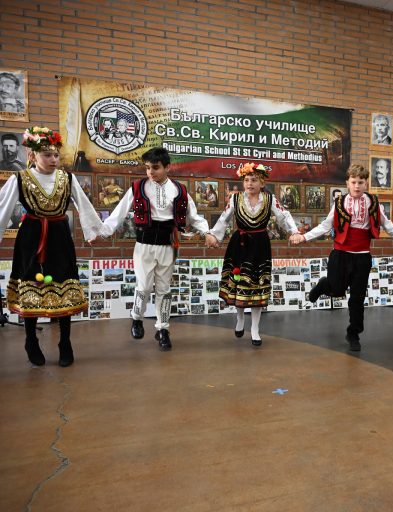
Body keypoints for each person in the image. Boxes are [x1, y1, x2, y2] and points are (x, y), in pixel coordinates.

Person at [95, 147, 218, 351]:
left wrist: (207, 232)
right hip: (144, 245)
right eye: (147, 168)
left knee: (164, 289)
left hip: (167, 245)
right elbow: (118, 214)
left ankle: (163, 329)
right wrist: (102, 233)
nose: (150, 172)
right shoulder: (137, 187)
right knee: (143, 287)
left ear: (167, 167)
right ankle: (137, 317)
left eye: (155, 167)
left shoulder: (180, 190)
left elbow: (194, 217)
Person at [0, 127, 103, 367]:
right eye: (47, 155)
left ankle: (65, 342)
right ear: (32, 155)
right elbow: (3, 207)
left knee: (63, 283)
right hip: (31, 239)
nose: (53, 159)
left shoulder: (67, 178)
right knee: (31, 284)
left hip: (59, 237)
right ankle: (31, 340)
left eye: (56, 155)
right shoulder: (20, 178)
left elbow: (84, 205)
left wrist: (93, 231)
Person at [290, 164, 393, 351]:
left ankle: (354, 333)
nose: (357, 186)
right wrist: (304, 237)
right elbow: (325, 226)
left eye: (361, 182)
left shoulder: (373, 202)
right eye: (353, 182)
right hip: (341, 254)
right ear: (347, 183)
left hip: (362, 257)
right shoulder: (339, 202)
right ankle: (323, 285)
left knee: (357, 297)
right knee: (337, 289)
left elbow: (387, 224)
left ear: (366, 183)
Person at [209, 162, 298, 345]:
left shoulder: (270, 199)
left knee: (258, 286)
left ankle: (255, 328)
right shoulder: (235, 199)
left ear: (262, 183)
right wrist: (214, 236)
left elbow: (284, 216)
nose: (250, 183)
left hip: (260, 246)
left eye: (254, 180)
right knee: (239, 282)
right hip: (239, 246)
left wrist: (294, 231)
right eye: (247, 180)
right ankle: (240, 318)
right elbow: (224, 219)